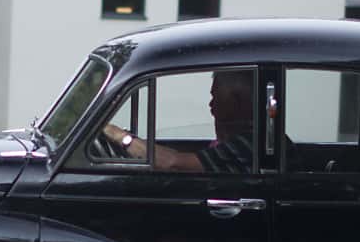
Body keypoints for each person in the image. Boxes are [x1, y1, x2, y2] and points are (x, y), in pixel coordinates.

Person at [101, 70, 256, 172]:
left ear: (238, 103)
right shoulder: (234, 142)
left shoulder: (246, 145)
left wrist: (121, 136)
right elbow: (175, 156)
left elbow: (172, 163)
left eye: (217, 98)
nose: (211, 106)